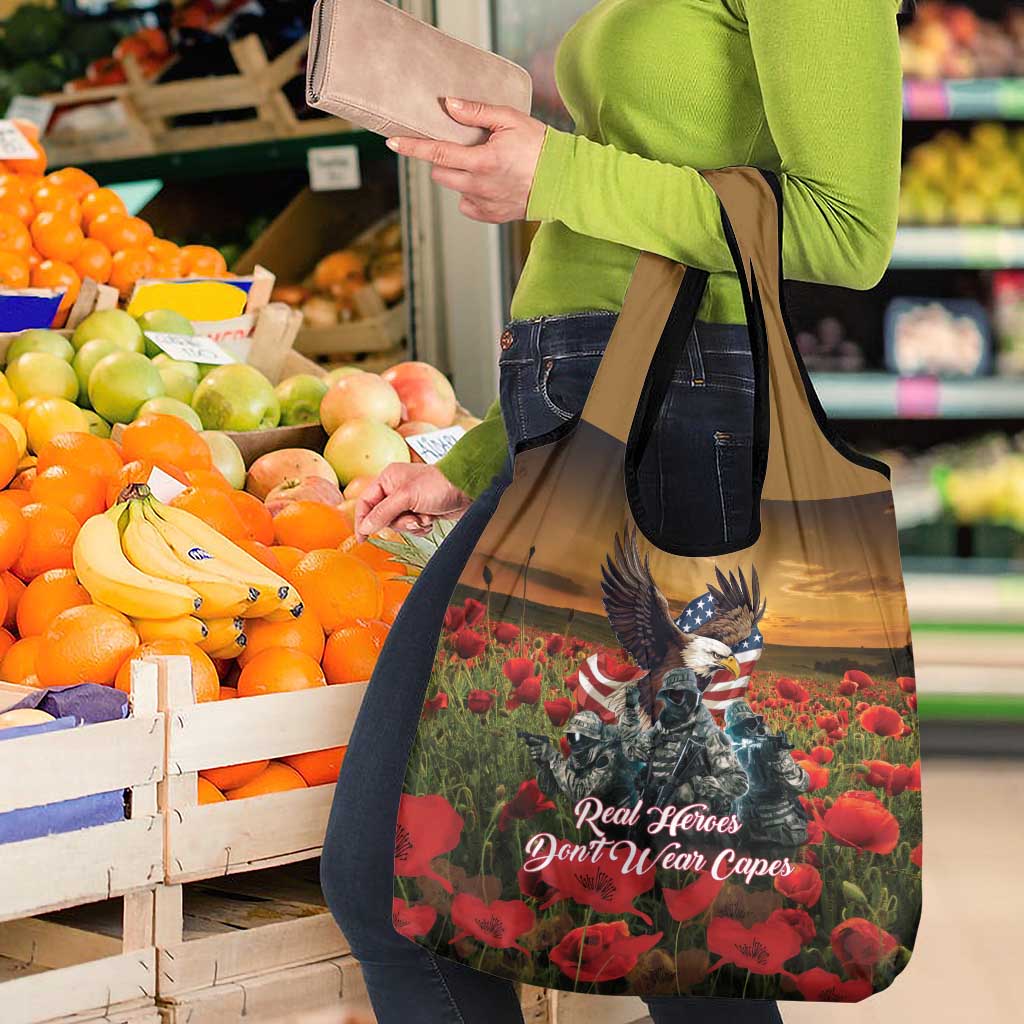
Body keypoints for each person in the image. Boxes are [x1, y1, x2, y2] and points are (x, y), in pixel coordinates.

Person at [321, 2, 905, 1021]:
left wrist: (556, 172)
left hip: (672, 439)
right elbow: (624, 245)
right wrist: (481, 456)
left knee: (421, 883)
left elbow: (847, 230)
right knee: (665, 921)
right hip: (587, 429)